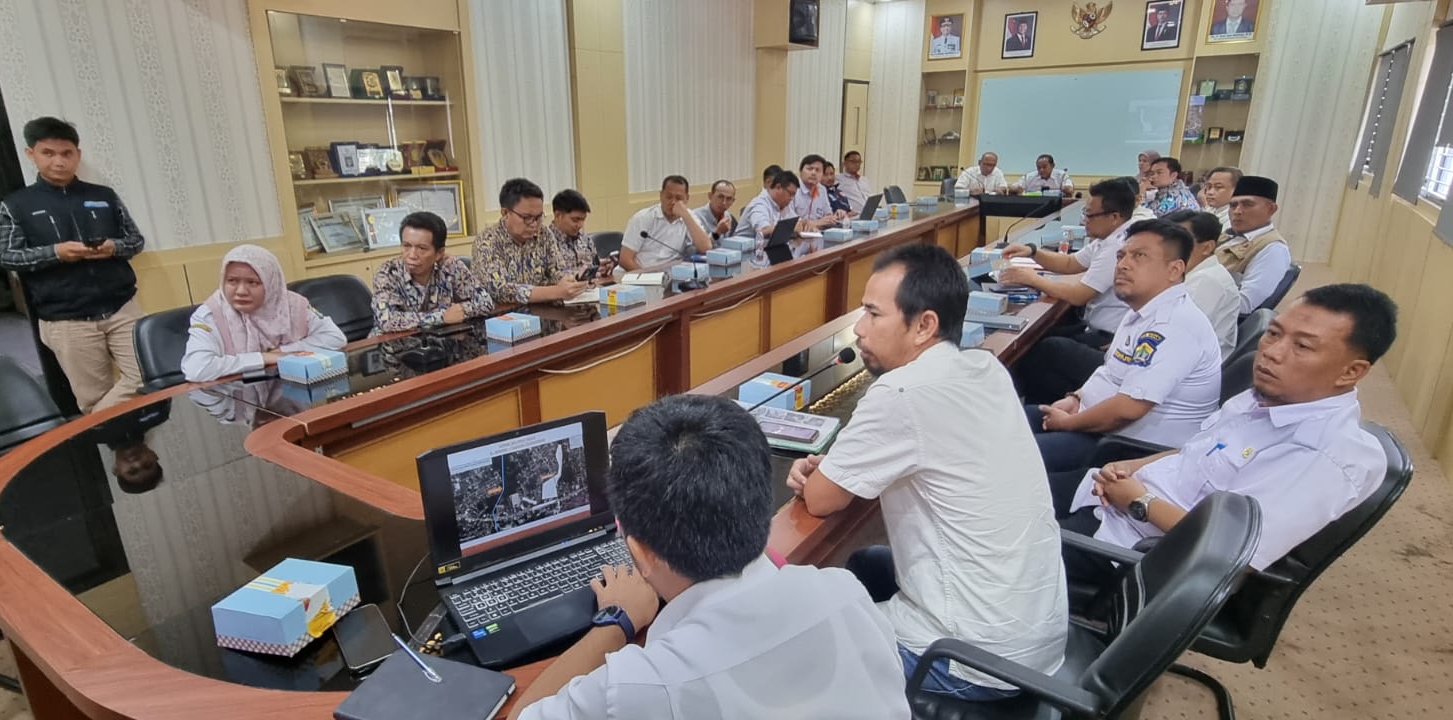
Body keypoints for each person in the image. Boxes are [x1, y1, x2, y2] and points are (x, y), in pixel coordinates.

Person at [511, 394, 909, 719]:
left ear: (640, 552)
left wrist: (616, 621)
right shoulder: (846, 593)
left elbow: (523, 715)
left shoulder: (643, 685)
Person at [786, 243, 1067, 701]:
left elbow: (819, 499)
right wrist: (847, 466)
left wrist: (826, 472)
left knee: (795, 640)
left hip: (968, 657)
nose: (858, 329)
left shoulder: (901, 392)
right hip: (1032, 637)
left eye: (873, 315)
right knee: (862, 564)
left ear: (924, 326)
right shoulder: (984, 367)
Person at [1058, 284, 1396, 583]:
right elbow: (1196, 452)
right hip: (1107, 494)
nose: (1272, 353)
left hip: (1122, 549)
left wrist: (1137, 500)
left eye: (1303, 347)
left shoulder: (1322, 454)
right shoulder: (1268, 397)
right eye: (1275, 334)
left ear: (1351, 371)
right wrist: (1132, 467)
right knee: (1009, 483)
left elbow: (1231, 550)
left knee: (1006, 536)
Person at [1026, 221, 1222, 480]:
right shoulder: (1142, 312)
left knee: (1011, 459)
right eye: (1121, 255)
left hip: (1125, 452)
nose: (1123, 264)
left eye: (1139, 256)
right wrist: (1075, 399)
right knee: (1008, 418)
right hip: (1097, 424)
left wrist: (1068, 422)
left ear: (1174, 270)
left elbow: (1127, 410)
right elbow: (1111, 372)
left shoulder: (1176, 324)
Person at [0, 117, 146, 414]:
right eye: (48, 153)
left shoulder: (102, 196)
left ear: (78, 154)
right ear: (31, 154)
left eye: (66, 154)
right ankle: (120, 452)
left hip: (120, 307)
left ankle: (102, 431)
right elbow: (8, 256)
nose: (59, 162)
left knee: (147, 376)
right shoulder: (17, 204)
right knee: (93, 398)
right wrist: (56, 253)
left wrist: (113, 248)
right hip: (66, 318)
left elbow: (135, 240)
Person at [1005, 178, 1147, 404]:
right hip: (1099, 329)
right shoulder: (1109, 237)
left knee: (1040, 350)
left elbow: (1078, 295)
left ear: (1114, 217)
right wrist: (1032, 251)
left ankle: (1035, 415)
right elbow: (1071, 263)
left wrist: (1032, 278)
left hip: (1109, 339)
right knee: (1041, 339)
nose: (1085, 220)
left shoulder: (1119, 246)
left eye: (1090, 215)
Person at [181, 245, 346, 383]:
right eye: (232, 281)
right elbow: (197, 369)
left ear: (271, 283)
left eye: (252, 282)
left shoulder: (291, 305)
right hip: (237, 402)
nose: (241, 291)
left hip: (293, 390)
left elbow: (335, 338)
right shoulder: (210, 314)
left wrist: (285, 350)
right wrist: (263, 358)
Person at [372, 211, 495, 334]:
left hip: (439, 342)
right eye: (406, 246)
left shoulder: (450, 266)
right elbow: (387, 321)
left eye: (421, 248)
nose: (412, 255)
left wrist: (462, 309)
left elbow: (486, 302)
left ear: (439, 253)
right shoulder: (388, 273)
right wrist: (442, 317)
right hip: (393, 345)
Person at [473, 178, 591, 304]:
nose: (534, 224)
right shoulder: (487, 242)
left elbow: (556, 270)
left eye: (539, 217)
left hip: (541, 311)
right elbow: (501, 290)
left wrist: (568, 281)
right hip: (501, 317)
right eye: (527, 218)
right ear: (505, 213)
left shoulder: (544, 234)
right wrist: (556, 291)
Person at [1167, 209, 1240, 359]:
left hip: (1191, 366)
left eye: (1181, 242)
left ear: (1207, 247)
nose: (1170, 249)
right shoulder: (1195, 273)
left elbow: (1177, 336)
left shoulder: (1207, 281)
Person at [1217, 175, 1292, 313]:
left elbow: (1244, 304)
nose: (1237, 211)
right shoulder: (1226, 236)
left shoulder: (1273, 249)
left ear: (1271, 209)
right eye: (1233, 205)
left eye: (1247, 204)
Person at [619, 175, 713, 270]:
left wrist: (686, 216)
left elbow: (705, 248)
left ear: (687, 198)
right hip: (641, 273)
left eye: (679, 198)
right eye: (668, 197)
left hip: (671, 274)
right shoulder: (643, 218)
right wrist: (647, 278)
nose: (673, 202)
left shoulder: (688, 217)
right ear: (661, 195)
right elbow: (625, 260)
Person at [546, 189, 614, 280]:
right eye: (575, 220)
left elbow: (593, 264)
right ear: (558, 215)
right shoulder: (545, 242)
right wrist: (580, 275)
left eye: (583, 220)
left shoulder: (584, 238)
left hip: (592, 290)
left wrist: (601, 268)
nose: (580, 225)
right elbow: (549, 277)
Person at [789, 154, 839, 229]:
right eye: (809, 169)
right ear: (800, 171)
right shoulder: (792, 189)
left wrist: (832, 217)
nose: (813, 173)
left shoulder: (822, 189)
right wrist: (818, 223)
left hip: (817, 234)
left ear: (822, 175)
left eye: (818, 170)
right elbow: (791, 222)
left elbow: (828, 213)